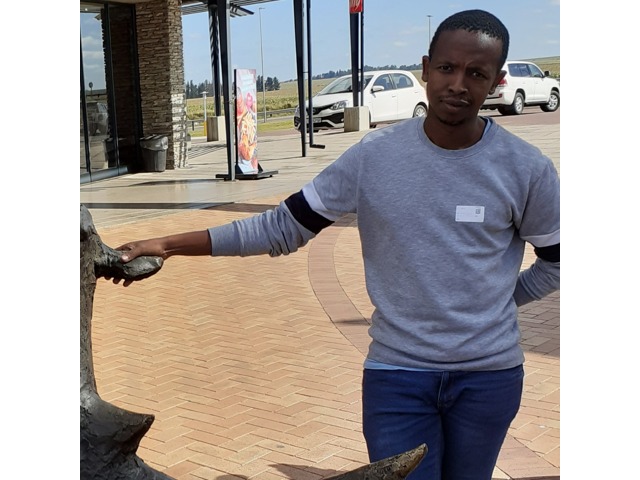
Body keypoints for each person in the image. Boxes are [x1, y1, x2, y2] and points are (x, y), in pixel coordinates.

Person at [111, 9, 559, 480]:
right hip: (397, 377)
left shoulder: (525, 169)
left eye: (477, 74)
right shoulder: (375, 157)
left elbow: (554, 263)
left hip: (488, 380)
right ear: (426, 69)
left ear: (497, 81)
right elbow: (282, 226)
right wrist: (167, 243)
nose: (458, 84)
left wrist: (495, 303)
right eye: (447, 68)